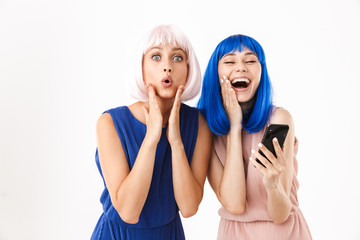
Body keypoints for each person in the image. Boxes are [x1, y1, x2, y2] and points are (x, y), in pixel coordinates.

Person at [91, 25, 212, 240]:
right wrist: (152, 138)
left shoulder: (199, 123)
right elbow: (128, 211)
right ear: (141, 67)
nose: (167, 66)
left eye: (177, 58)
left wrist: (176, 141)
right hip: (118, 234)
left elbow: (189, 207)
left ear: (188, 68)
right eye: (156, 57)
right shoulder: (110, 123)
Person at [197, 34, 312, 239]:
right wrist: (234, 127)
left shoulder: (278, 121)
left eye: (250, 61)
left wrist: (273, 185)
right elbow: (234, 203)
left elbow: (280, 215)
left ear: (261, 71)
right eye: (230, 61)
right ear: (215, 73)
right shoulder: (205, 129)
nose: (241, 67)